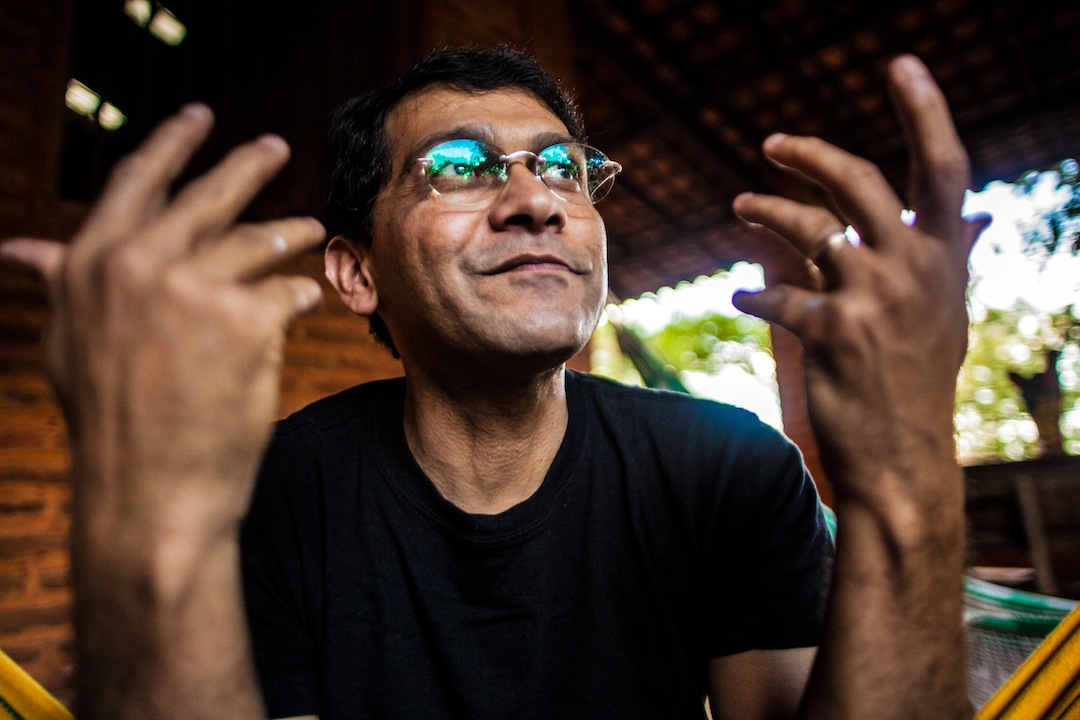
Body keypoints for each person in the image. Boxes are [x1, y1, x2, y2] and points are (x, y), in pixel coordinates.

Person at [0, 45, 982, 720]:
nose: (535, 202)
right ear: (356, 272)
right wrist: (146, 506)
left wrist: (907, 471)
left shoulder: (728, 469)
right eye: (460, 166)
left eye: (563, 168)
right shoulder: (276, 491)